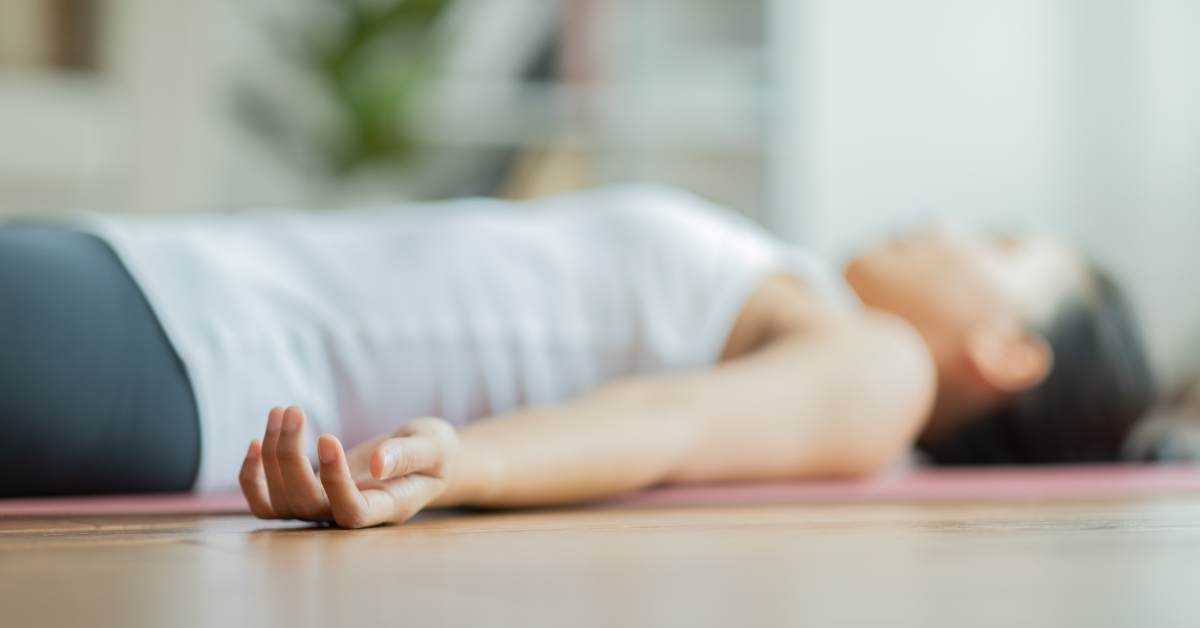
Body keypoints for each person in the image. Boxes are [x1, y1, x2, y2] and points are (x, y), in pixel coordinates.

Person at [0, 185, 1156, 526]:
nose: (945, 220)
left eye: (999, 244)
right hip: (158, 284)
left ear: (1008, 353)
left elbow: (662, 423)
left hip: (189, 351)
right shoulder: (796, 288)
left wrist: (456, 464)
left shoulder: (883, 367)